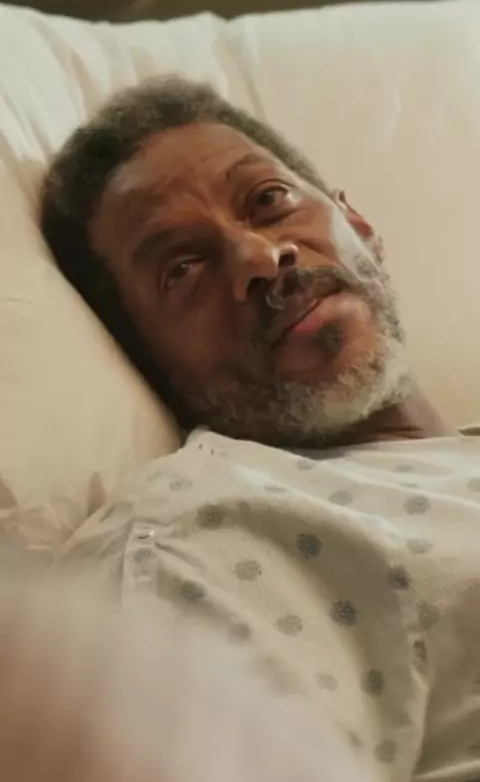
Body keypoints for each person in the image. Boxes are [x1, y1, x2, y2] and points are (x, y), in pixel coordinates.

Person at [37, 77, 480, 781]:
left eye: (269, 201)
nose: (259, 258)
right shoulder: (200, 534)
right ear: (149, 360)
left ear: (356, 222)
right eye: (183, 269)